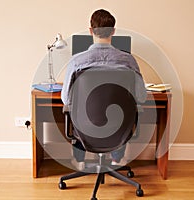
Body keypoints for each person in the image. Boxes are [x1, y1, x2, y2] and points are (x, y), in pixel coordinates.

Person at [61, 9, 146, 171]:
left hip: (85, 127)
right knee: (119, 115)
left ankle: (79, 160)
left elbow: (66, 99)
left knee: (78, 113)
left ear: (91, 31)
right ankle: (116, 160)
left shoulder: (77, 61)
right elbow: (141, 97)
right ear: (113, 31)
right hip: (119, 129)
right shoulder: (129, 61)